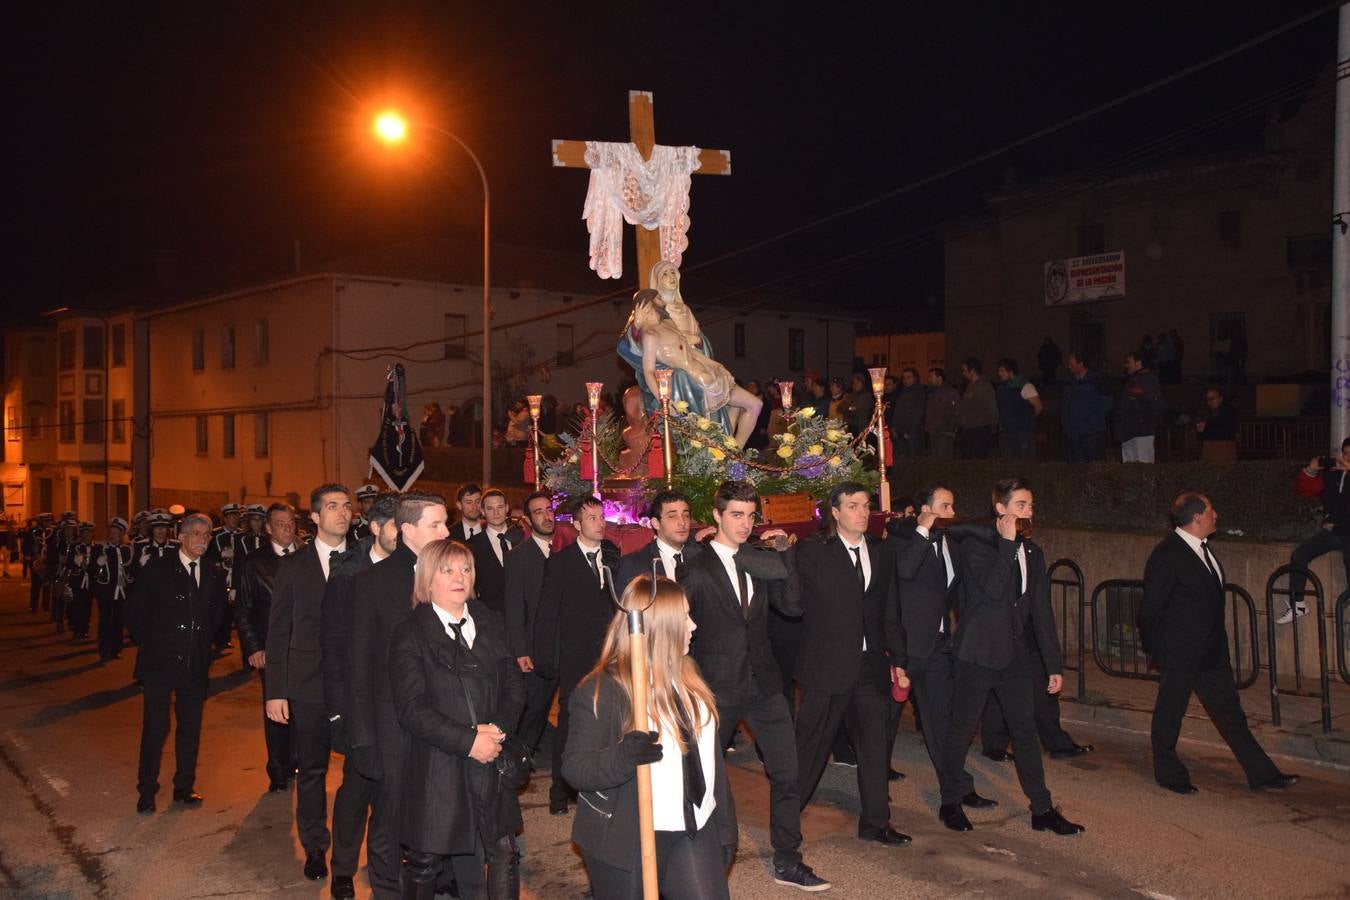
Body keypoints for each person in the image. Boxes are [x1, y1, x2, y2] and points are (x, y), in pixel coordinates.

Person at [677, 480, 829, 891]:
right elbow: (676, 627)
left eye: (750, 516)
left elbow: (794, 607)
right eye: (736, 515)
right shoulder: (696, 564)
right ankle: (702, 859)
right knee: (705, 777)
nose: (745, 524)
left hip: (763, 683)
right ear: (717, 516)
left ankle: (788, 859)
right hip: (715, 688)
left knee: (789, 772)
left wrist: (786, 554)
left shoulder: (761, 560)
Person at [565, 575, 737, 899]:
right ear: (659, 629)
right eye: (685, 617)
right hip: (628, 836)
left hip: (693, 828)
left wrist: (725, 828)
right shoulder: (604, 690)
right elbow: (576, 768)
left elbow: (710, 764)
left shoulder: (690, 678)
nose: (694, 625)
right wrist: (623, 756)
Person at [937, 479, 1083, 835]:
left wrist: (1053, 665)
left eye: (1030, 505)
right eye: (1020, 504)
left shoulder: (1033, 552)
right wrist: (1005, 544)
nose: (1027, 511)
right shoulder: (977, 545)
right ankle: (950, 801)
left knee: (1025, 730)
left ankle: (1042, 809)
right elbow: (989, 592)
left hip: (1015, 655)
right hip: (977, 652)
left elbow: (1041, 612)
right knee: (962, 729)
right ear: (1000, 509)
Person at [388, 538, 524, 900]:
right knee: (425, 861)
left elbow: (513, 683)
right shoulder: (411, 632)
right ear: (428, 580)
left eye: (465, 569)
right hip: (439, 764)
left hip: (491, 757)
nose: (459, 577)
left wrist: (496, 731)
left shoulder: (490, 621)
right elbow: (411, 709)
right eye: (447, 570)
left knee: (503, 853)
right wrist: (469, 740)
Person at [1141, 492, 1297, 794]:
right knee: (1170, 714)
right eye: (1212, 509)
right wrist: (1158, 650)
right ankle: (1169, 774)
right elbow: (1150, 610)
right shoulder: (1167, 554)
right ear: (1197, 517)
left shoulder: (1204, 550)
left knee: (1230, 714)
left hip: (1211, 652)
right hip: (1180, 652)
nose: (1217, 514)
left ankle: (1262, 774)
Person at [789, 482, 909, 847]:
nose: (861, 512)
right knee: (810, 749)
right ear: (836, 513)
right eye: (853, 506)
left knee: (875, 747)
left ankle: (876, 823)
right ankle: (786, 818)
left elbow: (888, 610)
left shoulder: (881, 551)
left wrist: (899, 660)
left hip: (869, 666)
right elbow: (795, 607)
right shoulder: (813, 552)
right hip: (825, 668)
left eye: (865, 505)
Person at [349, 492, 450, 899]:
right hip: (390, 726)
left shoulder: (450, 576)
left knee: (437, 808)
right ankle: (387, 890)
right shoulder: (370, 583)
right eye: (437, 525)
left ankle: (434, 882)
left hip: (442, 721)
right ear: (408, 530)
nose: (447, 531)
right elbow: (356, 665)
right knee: (389, 817)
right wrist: (361, 737)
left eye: (446, 523)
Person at [886, 486, 997, 828]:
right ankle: (874, 789)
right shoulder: (903, 539)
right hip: (903, 648)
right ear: (925, 510)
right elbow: (905, 570)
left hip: (938, 646)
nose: (952, 511)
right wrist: (921, 527)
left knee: (943, 723)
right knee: (882, 723)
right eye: (944, 506)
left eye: (953, 505)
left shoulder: (953, 542)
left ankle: (955, 793)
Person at [265, 484, 353, 884]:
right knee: (313, 770)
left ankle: (350, 856)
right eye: (332, 506)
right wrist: (276, 691)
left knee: (364, 771)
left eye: (346, 505)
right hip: (308, 685)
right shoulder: (294, 567)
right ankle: (316, 846)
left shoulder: (364, 561)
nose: (342, 512)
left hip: (355, 686)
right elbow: (278, 630)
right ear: (315, 517)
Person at [323, 492, 399, 900]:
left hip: (400, 702)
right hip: (360, 702)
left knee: (395, 791)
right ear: (375, 528)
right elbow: (333, 645)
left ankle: (387, 862)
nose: (402, 534)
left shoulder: (413, 569)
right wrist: (337, 711)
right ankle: (343, 869)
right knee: (357, 789)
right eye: (394, 526)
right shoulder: (348, 573)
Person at [127, 513, 226, 814]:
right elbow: (134, 613)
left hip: (194, 664)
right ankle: (146, 790)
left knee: (190, 729)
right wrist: (155, 643)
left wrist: (204, 645)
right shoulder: (157, 569)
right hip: (159, 663)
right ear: (180, 537)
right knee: (155, 728)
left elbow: (218, 617)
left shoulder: (212, 573)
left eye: (207, 535)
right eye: (196, 533)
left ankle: (184, 786)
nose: (202, 539)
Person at [531, 496, 620, 815]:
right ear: (578, 525)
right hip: (574, 656)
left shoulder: (612, 556)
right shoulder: (561, 561)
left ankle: (599, 787)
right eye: (593, 518)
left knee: (608, 721)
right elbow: (546, 612)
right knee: (569, 725)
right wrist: (543, 657)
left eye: (602, 516)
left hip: (607, 656)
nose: (601, 523)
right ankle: (559, 792)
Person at [629, 294, 762, 447]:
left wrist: (715, 364)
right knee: (710, 435)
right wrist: (664, 400)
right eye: (658, 298)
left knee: (755, 405)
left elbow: (690, 349)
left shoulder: (668, 324)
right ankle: (730, 456)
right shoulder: (650, 335)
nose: (662, 301)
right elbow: (648, 371)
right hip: (697, 384)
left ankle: (735, 453)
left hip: (712, 374)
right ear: (645, 307)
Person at [234, 502, 299, 792]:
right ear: (268, 528)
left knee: (301, 707)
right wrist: (253, 646)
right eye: (280, 523)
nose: (287, 527)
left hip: (304, 648)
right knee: (275, 709)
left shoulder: (307, 556)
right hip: (271, 649)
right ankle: (277, 769)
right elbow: (244, 609)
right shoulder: (255, 563)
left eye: (291, 522)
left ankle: (296, 759)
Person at [502, 491, 560, 761]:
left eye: (549, 510)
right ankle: (514, 764)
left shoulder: (564, 551)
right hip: (534, 651)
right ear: (527, 520)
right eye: (539, 512)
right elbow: (513, 608)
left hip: (562, 648)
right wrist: (520, 651)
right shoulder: (519, 557)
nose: (547, 516)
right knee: (533, 712)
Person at [1284, 442, 1350, 624]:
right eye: (1345, 454)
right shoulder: (1334, 475)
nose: (1347, 458)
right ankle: (1297, 604)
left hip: (1345, 531)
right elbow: (1304, 489)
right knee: (1300, 555)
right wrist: (1310, 471)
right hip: (1334, 530)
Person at [468, 488, 525, 614]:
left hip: (523, 615)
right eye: (490, 508)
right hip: (489, 616)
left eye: (499, 507)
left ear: (506, 508)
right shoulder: (472, 546)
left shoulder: (523, 538)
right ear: (482, 511)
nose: (496, 512)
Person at [90, 517, 131, 662]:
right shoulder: (100, 548)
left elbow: (130, 571)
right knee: (105, 620)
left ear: (121, 534)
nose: (113, 535)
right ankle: (104, 649)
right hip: (106, 591)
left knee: (119, 621)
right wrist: (97, 563)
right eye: (111, 532)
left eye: (116, 532)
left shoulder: (127, 550)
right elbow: (92, 570)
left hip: (121, 591)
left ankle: (116, 649)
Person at [1060, 352, 1112, 463]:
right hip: (1073, 435)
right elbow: (1065, 406)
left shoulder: (1096, 381)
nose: (1069, 366)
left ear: (1081, 364)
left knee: (1094, 467)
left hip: (1091, 435)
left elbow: (1106, 403)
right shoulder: (1070, 383)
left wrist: (1092, 422)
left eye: (1071, 364)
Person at [1118, 351, 1164, 463]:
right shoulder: (1130, 381)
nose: (1126, 365)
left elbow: (1156, 405)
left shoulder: (1148, 380)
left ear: (1138, 363)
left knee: (1144, 468)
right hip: (1128, 433)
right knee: (1130, 470)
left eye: (1129, 362)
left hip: (1142, 433)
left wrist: (1147, 424)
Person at [994, 358, 1041, 459]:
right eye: (998, 370)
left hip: (1022, 433)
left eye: (1002, 370)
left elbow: (1038, 406)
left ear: (1011, 372)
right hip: (1006, 433)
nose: (999, 373)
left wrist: (1028, 420)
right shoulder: (1001, 389)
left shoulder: (1025, 386)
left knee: (1023, 464)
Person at [957, 358, 997, 459]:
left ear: (973, 371)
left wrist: (992, 428)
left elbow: (992, 408)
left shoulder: (984, 386)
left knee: (978, 461)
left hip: (979, 430)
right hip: (968, 430)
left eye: (965, 371)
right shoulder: (970, 386)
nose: (963, 373)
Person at [890, 368, 926, 459]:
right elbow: (898, 411)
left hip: (912, 432)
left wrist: (909, 430)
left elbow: (918, 413)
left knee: (911, 457)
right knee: (902, 456)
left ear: (915, 378)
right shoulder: (904, 391)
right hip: (900, 431)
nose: (906, 380)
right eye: (904, 378)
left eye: (909, 377)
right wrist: (894, 427)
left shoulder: (919, 392)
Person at [1196, 386, 1238, 464]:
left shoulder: (1228, 412)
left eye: (1213, 398)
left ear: (1220, 399)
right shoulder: (1208, 412)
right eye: (1208, 399)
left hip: (1223, 451)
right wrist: (1201, 430)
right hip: (1210, 450)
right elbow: (1201, 434)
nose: (1210, 401)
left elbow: (1226, 432)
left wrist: (1205, 429)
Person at [925, 368, 960, 459]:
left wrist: (951, 426)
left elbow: (956, 411)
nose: (929, 379)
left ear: (939, 378)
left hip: (945, 432)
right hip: (934, 431)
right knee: (937, 460)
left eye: (931, 377)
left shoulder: (950, 392)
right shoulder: (932, 393)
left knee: (943, 460)